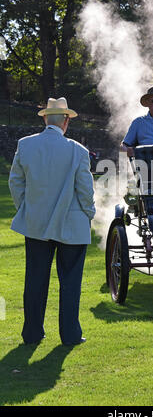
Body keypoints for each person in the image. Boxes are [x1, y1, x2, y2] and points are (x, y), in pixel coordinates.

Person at [8, 97, 96, 346]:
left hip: (36, 223)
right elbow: (85, 191)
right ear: (66, 121)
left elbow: (16, 183)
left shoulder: (25, 145)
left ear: (46, 118)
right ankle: (70, 335)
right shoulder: (77, 150)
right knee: (70, 283)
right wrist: (89, 213)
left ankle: (32, 334)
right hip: (72, 224)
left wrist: (27, 208)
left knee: (35, 280)